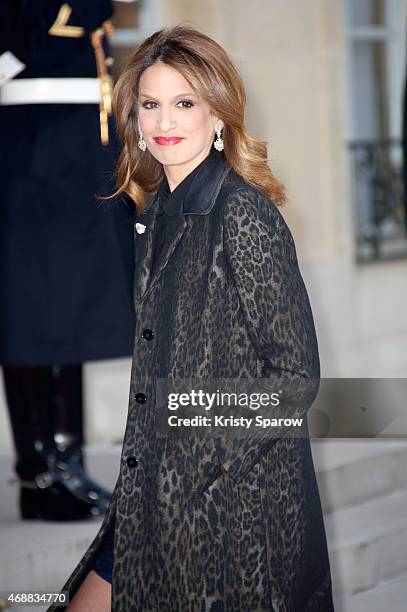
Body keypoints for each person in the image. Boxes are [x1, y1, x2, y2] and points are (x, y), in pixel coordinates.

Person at [48, 24, 334, 611]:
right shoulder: (157, 216)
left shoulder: (243, 215)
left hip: (228, 512)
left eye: (184, 103)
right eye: (150, 105)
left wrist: (198, 453)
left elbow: (295, 378)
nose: (164, 121)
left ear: (219, 115)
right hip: (153, 497)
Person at [0, 1, 135, 521]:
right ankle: (40, 470)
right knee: (31, 310)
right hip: (31, 145)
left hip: (76, 143)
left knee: (68, 307)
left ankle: (65, 463)